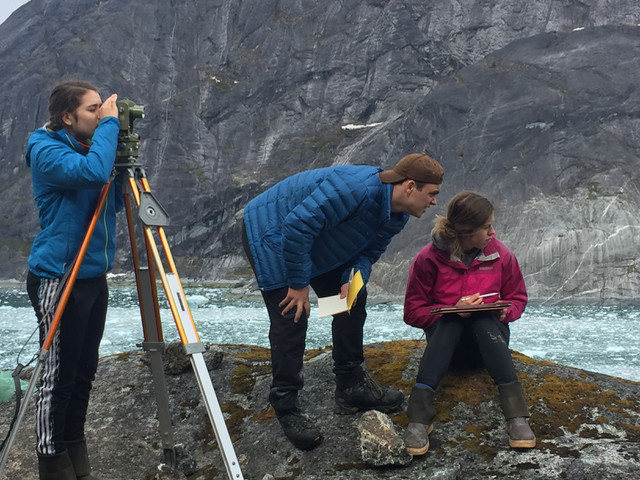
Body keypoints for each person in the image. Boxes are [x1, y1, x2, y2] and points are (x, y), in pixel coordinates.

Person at [242, 153, 444, 450]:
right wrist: (299, 285)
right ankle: (286, 405)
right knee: (292, 314)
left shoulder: (396, 214)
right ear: (410, 186)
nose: (435, 203)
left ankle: (351, 385)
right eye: (432, 194)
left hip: (317, 241)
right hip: (272, 232)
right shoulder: (356, 189)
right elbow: (297, 226)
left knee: (352, 298)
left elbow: (368, 254)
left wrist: (352, 278)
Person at [25, 80, 120, 480]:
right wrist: (111, 129)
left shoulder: (87, 147)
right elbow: (93, 172)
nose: (101, 115)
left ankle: (75, 454)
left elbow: (112, 201)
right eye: (93, 110)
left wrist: (118, 152)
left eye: (103, 109)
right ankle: (51, 459)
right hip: (59, 275)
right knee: (59, 374)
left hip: (93, 275)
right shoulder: (46, 150)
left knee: (84, 371)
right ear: (68, 117)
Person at [402, 190, 535, 456]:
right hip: (447, 350)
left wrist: (503, 312)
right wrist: (453, 311)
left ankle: (516, 417)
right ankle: (419, 418)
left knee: (482, 318)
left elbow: (518, 298)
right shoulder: (427, 259)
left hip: (488, 345)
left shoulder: (500, 255)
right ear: (465, 232)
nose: (493, 233)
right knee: (452, 321)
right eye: (486, 227)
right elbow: (412, 311)